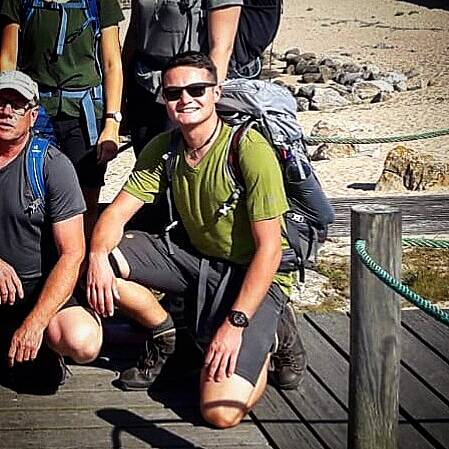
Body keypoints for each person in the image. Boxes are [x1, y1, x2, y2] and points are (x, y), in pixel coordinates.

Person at [87, 52, 305, 428]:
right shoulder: (165, 148)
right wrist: (95, 256)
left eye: (197, 89)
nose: (185, 99)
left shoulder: (248, 150)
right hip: (196, 260)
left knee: (220, 412)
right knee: (96, 260)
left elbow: (270, 250)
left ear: (216, 92)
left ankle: (273, 335)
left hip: (255, 275)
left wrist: (235, 325)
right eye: (174, 93)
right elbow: (117, 213)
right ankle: (168, 334)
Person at [0, 71, 102, 391]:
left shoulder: (51, 164)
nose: (6, 111)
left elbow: (73, 254)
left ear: (32, 116)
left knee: (81, 340)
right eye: (0, 103)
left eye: (16, 105)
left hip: (37, 288)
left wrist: (36, 322)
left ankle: (45, 341)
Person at [0, 0, 124, 237]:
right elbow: (8, 59)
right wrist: (9, 108)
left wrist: (112, 123)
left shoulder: (101, 2)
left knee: (86, 199)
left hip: (85, 115)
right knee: (30, 192)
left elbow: (112, 64)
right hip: (34, 111)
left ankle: (81, 256)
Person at [121, 0, 243, 154]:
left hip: (187, 89)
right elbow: (134, 32)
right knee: (147, 156)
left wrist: (205, 100)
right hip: (143, 83)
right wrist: (120, 98)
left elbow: (221, 49)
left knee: (184, 156)